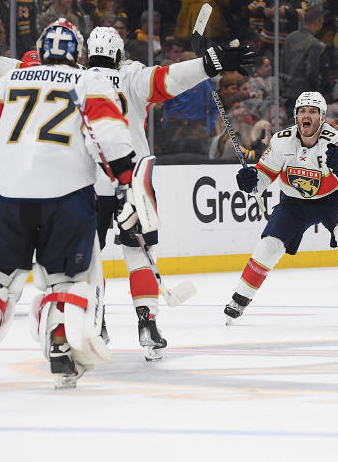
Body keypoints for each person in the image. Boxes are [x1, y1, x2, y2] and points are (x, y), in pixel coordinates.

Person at [0, 20, 137, 388]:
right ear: (78, 54)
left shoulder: (12, 80)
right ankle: (61, 343)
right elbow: (109, 134)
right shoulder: (89, 81)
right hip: (68, 195)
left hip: (7, 195)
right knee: (68, 279)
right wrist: (123, 179)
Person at [85, 26, 254, 359]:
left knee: (88, 253)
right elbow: (170, 78)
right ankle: (147, 324)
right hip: (132, 177)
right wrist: (211, 63)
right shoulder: (131, 75)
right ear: (118, 55)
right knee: (139, 253)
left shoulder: (76, 80)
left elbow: (24, 73)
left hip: (87, 178)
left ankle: (95, 322)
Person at [225, 92, 338, 325]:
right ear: (296, 115)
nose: (306, 115)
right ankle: (239, 299)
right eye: (302, 111)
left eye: (312, 111)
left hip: (334, 198)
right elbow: (262, 179)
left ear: (322, 117)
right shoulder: (281, 140)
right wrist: (251, 181)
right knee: (269, 246)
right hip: (294, 203)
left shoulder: (337, 141)